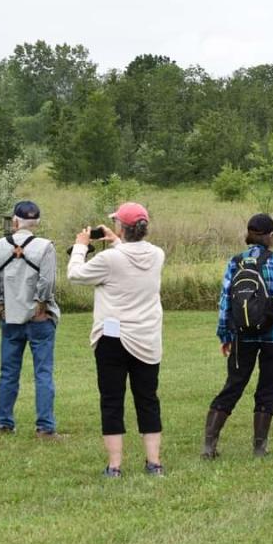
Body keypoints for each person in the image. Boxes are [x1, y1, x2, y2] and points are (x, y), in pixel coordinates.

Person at [202, 213, 273, 459]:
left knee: (233, 385)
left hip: (242, 334)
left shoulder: (236, 261)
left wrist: (225, 334)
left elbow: (225, 301)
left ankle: (209, 445)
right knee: (267, 389)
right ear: (268, 236)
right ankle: (259, 447)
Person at [67, 202, 165, 476]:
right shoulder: (157, 254)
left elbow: (75, 274)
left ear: (122, 227)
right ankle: (154, 462)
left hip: (113, 338)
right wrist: (117, 242)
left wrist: (80, 246)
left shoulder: (110, 259)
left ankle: (115, 465)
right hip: (146, 337)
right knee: (148, 399)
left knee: (112, 399)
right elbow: (130, 260)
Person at [0, 201, 61, 438]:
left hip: (10, 317)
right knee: (43, 372)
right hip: (39, 318)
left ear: (15, 221)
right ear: (37, 223)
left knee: (8, 372)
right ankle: (45, 426)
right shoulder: (45, 247)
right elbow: (48, 281)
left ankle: (4, 423)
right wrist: (41, 305)